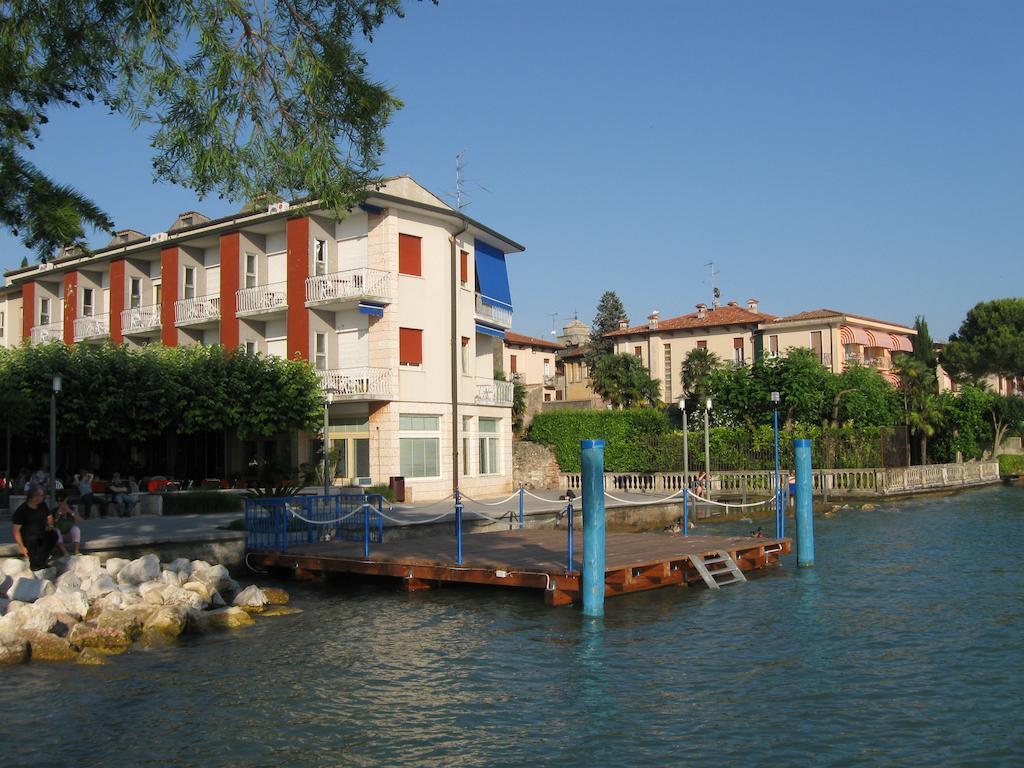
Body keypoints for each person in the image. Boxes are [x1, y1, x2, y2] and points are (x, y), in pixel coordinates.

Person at [12, 482, 58, 569]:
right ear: (31, 496)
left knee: (53, 535)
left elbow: (49, 517)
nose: (40, 498)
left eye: (41, 495)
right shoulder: (22, 510)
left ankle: (42, 561)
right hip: (29, 537)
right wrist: (21, 546)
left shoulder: (42, 505)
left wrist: (50, 525)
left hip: (41, 533)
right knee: (33, 541)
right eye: (37, 495)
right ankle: (35, 564)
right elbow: (16, 530)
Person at [53, 491, 82, 556]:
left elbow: (79, 520)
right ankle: (65, 552)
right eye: (58, 500)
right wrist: (58, 513)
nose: (60, 502)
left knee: (76, 529)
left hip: (69, 535)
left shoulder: (72, 508)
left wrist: (69, 511)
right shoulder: (54, 510)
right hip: (58, 537)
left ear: (66, 499)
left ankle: (76, 551)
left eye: (61, 500)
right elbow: (53, 523)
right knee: (56, 531)